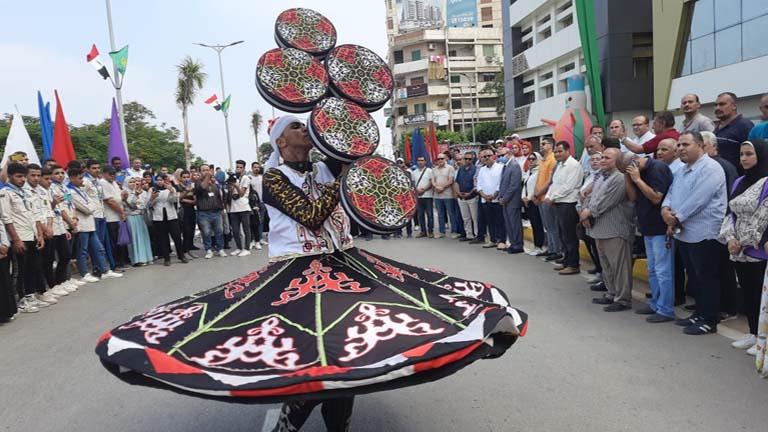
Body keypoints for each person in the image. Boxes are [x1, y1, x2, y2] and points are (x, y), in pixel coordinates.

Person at [662, 131, 726, 335]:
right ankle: (699, 313)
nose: (680, 148)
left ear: (700, 145)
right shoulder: (682, 170)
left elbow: (699, 199)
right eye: (679, 145)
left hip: (705, 233)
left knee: (707, 277)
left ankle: (710, 319)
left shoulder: (711, 168)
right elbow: (671, 193)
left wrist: (676, 217)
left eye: (685, 144)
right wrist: (665, 209)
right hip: (684, 232)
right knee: (695, 277)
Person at [720, 140, 768, 355]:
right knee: (747, 294)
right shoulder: (739, 181)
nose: (744, 158)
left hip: (758, 247)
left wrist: (746, 240)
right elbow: (731, 213)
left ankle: (764, 340)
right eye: (741, 154)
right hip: (738, 249)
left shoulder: (767, 182)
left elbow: (764, 215)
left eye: (749, 154)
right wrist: (731, 238)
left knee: (761, 296)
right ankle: (752, 333)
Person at [617, 152, 675, 322]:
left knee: (663, 271)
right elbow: (634, 198)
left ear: (634, 162)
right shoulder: (635, 174)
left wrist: (637, 180)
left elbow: (656, 198)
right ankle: (656, 303)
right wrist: (629, 178)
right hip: (647, 228)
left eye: (626, 171)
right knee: (653, 269)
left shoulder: (658, 168)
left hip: (660, 228)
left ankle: (666, 309)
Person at [0, 163, 47, 312]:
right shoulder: (5, 193)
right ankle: (21, 299)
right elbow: (7, 219)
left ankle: (30, 295)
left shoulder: (26, 192)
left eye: (23, 176)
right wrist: (16, 240)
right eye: (18, 176)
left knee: (32, 267)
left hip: (31, 234)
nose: (22, 179)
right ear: (10, 176)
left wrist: (39, 235)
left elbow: (35, 215)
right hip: (19, 236)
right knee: (20, 269)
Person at [67, 168, 123, 283]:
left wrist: (91, 206)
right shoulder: (70, 191)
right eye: (79, 178)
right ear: (72, 178)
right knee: (82, 250)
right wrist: (91, 207)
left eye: (82, 177)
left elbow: (92, 202)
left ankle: (105, 270)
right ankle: (84, 273)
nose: (82, 180)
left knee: (99, 248)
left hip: (90, 223)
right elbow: (86, 208)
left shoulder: (81, 190)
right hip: (82, 224)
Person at [545, 141, 584, 275]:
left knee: (570, 236)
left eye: (560, 151)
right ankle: (567, 261)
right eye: (555, 151)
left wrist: (553, 197)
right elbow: (554, 183)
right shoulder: (560, 165)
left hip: (568, 203)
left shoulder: (573, 166)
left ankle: (574, 264)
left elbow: (569, 186)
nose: (557, 154)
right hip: (558, 203)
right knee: (562, 234)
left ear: (568, 151)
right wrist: (549, 196)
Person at [83, 160, 115, 272]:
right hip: (93, 215)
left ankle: (102, 267)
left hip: (101, 214)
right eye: (93, 168)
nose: (96, 170)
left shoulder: (97, 181)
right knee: (96, 245)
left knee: (101, 243)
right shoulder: (85, 181)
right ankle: (98, 268)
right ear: (87, 169)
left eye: (98, 168)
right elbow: (81, 197)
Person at [149, 174, 187, 266]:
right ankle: (167, 258)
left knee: (177, 237)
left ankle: (181, 255)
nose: (160, 181)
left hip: (171, 216)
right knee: (163, 238)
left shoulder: (171, 188)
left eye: (161, 180)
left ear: (165, 181)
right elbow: (149, 205)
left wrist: (171, 192)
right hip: (159, 217)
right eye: (158, 180)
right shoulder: (152, 189)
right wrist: (152, 198)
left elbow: (173, 201)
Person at [534, 138, 561, 260]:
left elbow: (550, 181)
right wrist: (535, 193)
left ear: (551, 145)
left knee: (552, 226)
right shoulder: (543, 160)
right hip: (540, 197)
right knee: (547, 226)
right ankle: (551, 248)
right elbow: (539, 178)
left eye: (544, 144)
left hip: (547, 197)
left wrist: (539, 193)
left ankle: (556, 250)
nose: (542, 146)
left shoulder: (552, 159)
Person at [714, 92, 755, 170]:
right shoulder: (717, 127)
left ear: (734, 106)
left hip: (737, 177)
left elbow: (752, 154)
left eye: (722, 104)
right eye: (716, 105)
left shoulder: (744, 125)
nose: (717, 108)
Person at [195, 164, 227, 258]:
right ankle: (208, 250)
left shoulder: (215, 183)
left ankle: (220, 249)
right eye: (203, 170)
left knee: (219, 231)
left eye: (207, 170)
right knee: (206, 232)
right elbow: (202, 188)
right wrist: (208, 177)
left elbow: (219, 196)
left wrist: (222, 209)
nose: (206, 172)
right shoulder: (198, 182)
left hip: (216, 212)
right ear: (200, 172)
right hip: (204, 212)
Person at [476, 148, 505, 249]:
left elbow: (501, 183)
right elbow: (478, 184)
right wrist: (483, 195)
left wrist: (495, 194)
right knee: (489, 221)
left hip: (496, 199)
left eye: (488, 156)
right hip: (485, 199)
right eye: (484, 157)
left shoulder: (500, 168)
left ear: (494, 156)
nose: (486, 158)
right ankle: (492, 240)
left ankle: (502, 240)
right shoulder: (481, 170)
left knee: (499, 220)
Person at [100, 166, 129, 271]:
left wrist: (123, 197)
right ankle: (115, 264)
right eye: (110, 173)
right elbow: (110, 201)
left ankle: (121, 262)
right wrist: (121, 212)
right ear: (104, 173)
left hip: (118, 216)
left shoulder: (114, 182)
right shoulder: (103, 182)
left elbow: (118, 198)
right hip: (110, 217)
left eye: (114, 174)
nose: (113, 175)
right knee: (113, 242)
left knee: (120, 240)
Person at [498, 146, 524, 254]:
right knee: (509, 223)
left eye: (502, 155)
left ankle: (518, 245)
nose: (500, 158)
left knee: (515, 223)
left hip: (512, 200)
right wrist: (501, 197)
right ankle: (513, 243)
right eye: (499, 156)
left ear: (509, 154)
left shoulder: (514, 166)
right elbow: (503, 184)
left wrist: (505, 198)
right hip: (505, 200)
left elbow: (514, 185)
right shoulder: (505, 166)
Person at [123, 177, 153, 266]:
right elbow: (131, 205)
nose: (133, 183)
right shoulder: (125, 193)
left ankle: (146, 257)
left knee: (143, 238)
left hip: (141, 217)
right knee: (135, 239)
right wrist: (135, 195)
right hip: (131, 218)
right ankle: (136, 260)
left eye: (134, 182)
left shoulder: (140, 192)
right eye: (130, 182)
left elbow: (144, 204)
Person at [225, 160, 253, 257]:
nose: (238, 169)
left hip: (244, 207)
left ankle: (247, 248)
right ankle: (239, 247)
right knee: (235, 230)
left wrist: (236, 185)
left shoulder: (245, 178)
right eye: (237, 167)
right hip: (234, 208)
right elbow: (229, 192)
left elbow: (241, 193)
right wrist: (231, 185)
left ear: (244, 168)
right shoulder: (234, 178)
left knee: (246, 229)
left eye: (240, 167)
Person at [523, 152, 545, 255]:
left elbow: (537, 186)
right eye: (529, 159)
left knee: (538, 224)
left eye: (533, 159)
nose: (531, 161)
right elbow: (525, 186)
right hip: (528, 202)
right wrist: (524, 197)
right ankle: (536, 246)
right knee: (534, 224)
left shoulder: (539, 172)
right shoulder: (529, 172)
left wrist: (530, 197)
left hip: (535, 201)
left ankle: (539, 246)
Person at [455, 151, 479, 241]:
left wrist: (470, 193)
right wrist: (458, 192)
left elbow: (477, 184)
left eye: (470, 159)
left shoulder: (476, 169)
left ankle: (477, 235)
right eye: (466, 159)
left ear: (473, 159)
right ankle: (468, 235)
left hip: (472, 196)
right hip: (461, 197)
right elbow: (457, 182)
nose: (468, 160)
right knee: (466, 218)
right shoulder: (461, 169)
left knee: (475, 218)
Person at [431, 152, 456, 239]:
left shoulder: (450, 168)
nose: (440, 160)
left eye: (442, 158)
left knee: (451, 214)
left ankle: (454, 231)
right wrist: (436, 186)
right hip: (437, 195)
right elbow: (433, 181)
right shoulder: (434, 169)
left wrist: (442, 187)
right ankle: (442, 232)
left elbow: (451, 180)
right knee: (440, 214)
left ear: (445, 159)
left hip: (448, 194)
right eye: (438, 159)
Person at [412, 156, 434, 238]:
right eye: (419, 160)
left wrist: (424, 189)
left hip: (428, 196)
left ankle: (430, 231)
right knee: (420, 215)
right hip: (418, 197)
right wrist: (417, 190)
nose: (420, 162)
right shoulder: (414, 172)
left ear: (425, 161)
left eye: (422, 160)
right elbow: (413, 183)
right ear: (417, 162)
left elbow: (431, 182)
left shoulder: (429, 171)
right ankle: (423, 231)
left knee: (430, 215)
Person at [248, 161, 266, 249]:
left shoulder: (262, 177)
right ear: (252, 168)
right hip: (254, 204)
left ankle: (260, 238)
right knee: (254, 222)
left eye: (258, 167)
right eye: (255, 167)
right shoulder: (249, 178)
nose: (257, 168)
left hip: (263, 202)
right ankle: (253, 240)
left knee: (261, 221)